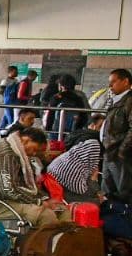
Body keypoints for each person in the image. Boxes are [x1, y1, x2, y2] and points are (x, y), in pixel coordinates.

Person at [0, 127, 72, 227]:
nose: (34, 154)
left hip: (15, 199)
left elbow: (26, 185)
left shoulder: (19, 151)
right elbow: (8, 190)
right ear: (26, 140)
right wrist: (38, 201)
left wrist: (45, 199)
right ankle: (43, 242)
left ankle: (64, 241)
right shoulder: (5, 154)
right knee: (46, 215)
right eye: (35, 150)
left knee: (62, 210)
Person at [47, 115, 104, 200]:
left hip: (52, 178)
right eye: (102, 127)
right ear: (92, 125)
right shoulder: (94, 144)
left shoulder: (76, 136)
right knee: (95, 202)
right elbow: (81, 187)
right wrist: (95, 188)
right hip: (66, 186)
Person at [102, 69, 132, 199]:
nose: (110, 86)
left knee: (122, 191)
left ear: (125, 81)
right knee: (107, 191)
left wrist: (122, 150)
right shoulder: (117, 100)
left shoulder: (129, 101)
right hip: (110, 151)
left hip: (120, 154)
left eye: (113, 82)